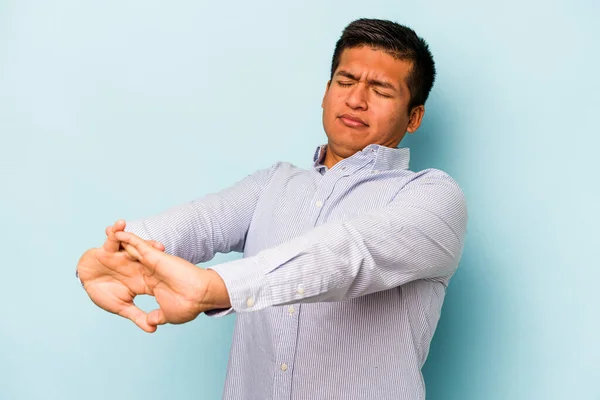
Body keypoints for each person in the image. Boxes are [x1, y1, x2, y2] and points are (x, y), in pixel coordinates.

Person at [76, 18, 468, 400]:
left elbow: (347, 254)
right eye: (345, 82)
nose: (355, 99)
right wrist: (122, 253)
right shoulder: (273, 184)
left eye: (380, 90)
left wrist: (216, 288)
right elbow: (202, 221)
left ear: (413, 116)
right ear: (326, 91)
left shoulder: (432, 198)